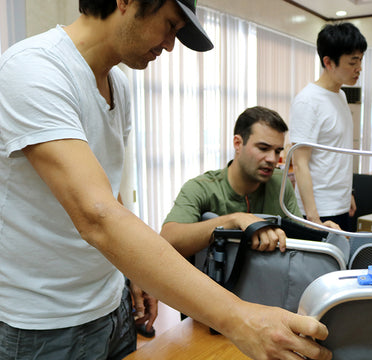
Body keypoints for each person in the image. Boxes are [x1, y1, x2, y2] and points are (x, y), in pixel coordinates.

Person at [0, 1, 332, 359]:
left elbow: (109, 195)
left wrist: (131, 272)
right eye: (169, 25)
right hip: (45, 323)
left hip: (112, 305)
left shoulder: (119, 86)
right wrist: (238, 317)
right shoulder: (34, 69)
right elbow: (96, 215)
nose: (170, 45)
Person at [161, 105, 313, 257]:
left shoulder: (280, 183)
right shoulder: (201, 188)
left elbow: (301, 237)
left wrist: (320, 231)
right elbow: (167, 241)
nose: (272, 159)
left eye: (277, 151)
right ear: (238, 144)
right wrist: (234, 220)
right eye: (263, 148)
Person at [289, 22, 367, 231]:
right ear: (329, 62)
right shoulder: (308, 101)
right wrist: (314, 220)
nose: (359, 68)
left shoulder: (340, 95)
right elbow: (300, 164)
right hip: (319, 211)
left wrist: (348, 193)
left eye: (360, 60)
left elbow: (338, 152)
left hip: (340, 204)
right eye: (353, 62)